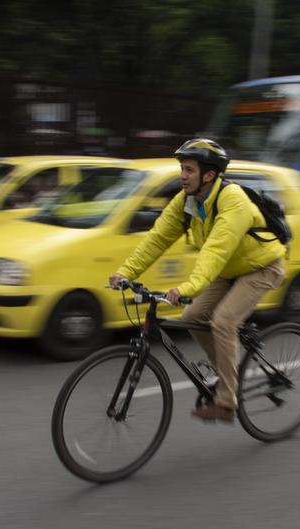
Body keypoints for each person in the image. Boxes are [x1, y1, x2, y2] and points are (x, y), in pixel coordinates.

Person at [109, 138, 286, 423]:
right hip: (229, 270)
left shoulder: (233, 200)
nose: (182, 175)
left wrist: (188, 287)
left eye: (189, 169)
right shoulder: (187, 201)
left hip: (261, 268)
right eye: (182, 168)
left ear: (209, 174)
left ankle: (227, 403)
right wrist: (126, 272)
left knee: (224, 321)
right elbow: (157, 239)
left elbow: (217, 248)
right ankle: (227, 375)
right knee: (193, 315)